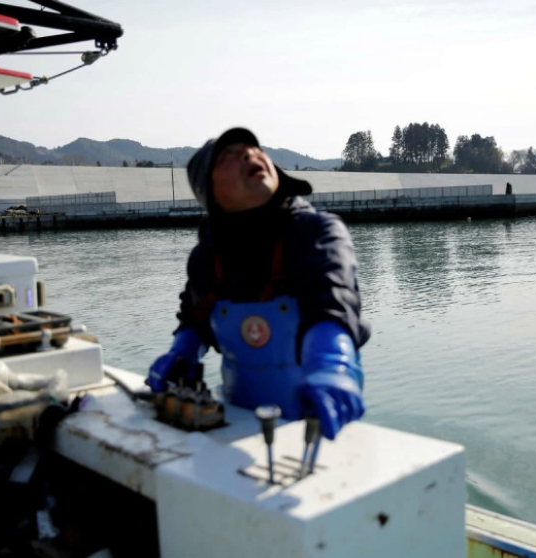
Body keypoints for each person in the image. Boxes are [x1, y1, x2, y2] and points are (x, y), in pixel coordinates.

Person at [146, 128, 370, 440]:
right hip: (236, 422)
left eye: (252, 148)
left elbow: (333, 300)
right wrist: (181, 354)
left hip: (320, 423)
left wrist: (335, 365)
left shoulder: (316, 232)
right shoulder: (206, 258)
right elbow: (196, 317)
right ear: (207, 192)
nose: (249, 154)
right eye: (229, 155)